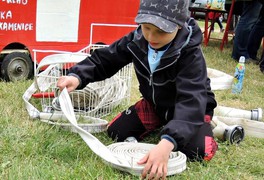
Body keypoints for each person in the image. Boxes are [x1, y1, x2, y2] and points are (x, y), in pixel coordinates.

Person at [57, 0, 218, 179]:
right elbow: (106, 59)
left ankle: (201, 127)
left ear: (179, 26)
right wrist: (77, 76)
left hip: (191, 110)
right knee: (117, 132)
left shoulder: (190, 54)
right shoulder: (136, 39)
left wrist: (166, 144)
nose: (151, 37)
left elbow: (191, 100)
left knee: (198, 151)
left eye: (161, 31)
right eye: (146, 27)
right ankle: (163, 124)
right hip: (155, 106)